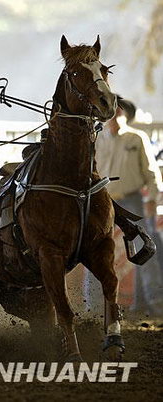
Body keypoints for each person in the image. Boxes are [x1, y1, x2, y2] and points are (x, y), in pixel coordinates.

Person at [93, 96, 163, 316]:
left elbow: (151, 172)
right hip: (102, 197)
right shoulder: (97, 139)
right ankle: (93, 306)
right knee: (91, 247)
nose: (114, 115)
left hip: (131, 198)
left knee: (144, 245)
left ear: (124, 114)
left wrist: (152, 198)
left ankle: (152, 300)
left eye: (118, 111)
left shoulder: (136, 138)